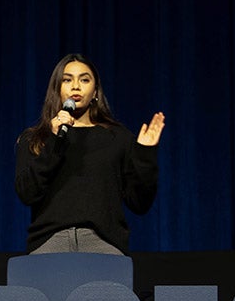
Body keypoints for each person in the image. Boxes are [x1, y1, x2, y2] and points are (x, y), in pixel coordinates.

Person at [14, 53, 165, 255]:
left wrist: (145, 155)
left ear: (95, 92)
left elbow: (139, 203)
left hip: (103, 244)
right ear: (57, 89)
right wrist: (53, 142)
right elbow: (27, 193)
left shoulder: (117, 137)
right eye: (67, 80)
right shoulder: (35, 138)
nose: (76, 86)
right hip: (49, 243)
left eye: (84, 79)